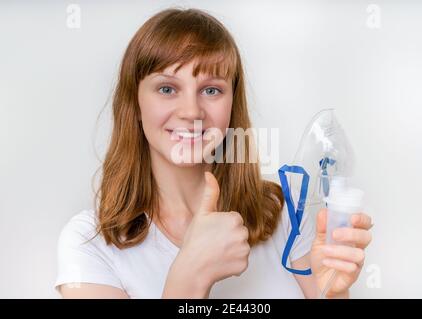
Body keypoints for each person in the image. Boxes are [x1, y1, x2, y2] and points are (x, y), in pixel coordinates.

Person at [55, 7, 372, 299]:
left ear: (232, 105)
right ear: (134, 104)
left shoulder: (286, 214)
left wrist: (332, 292)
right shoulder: (88, 244)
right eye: (167, 88)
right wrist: (190, 275)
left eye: (211, 90)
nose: (191, 111)